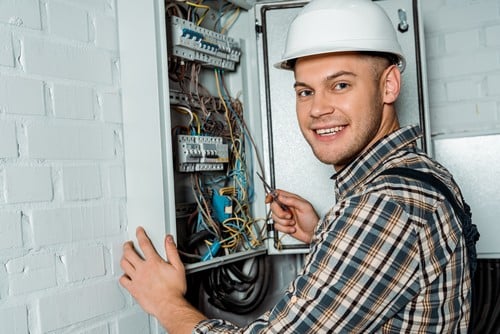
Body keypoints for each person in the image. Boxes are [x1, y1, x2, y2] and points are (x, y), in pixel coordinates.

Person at [120, 0, 472, 332]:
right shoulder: (422, 173)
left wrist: (165, 302)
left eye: (340, 85)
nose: (317, 109)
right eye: (305, 91)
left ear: (389, 85)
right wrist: (323, 233)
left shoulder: (384, 208)